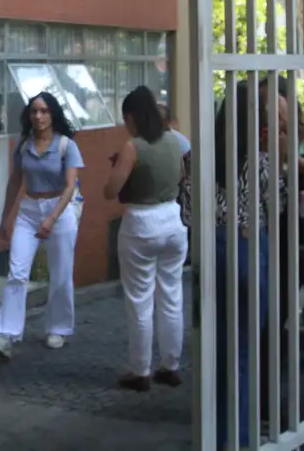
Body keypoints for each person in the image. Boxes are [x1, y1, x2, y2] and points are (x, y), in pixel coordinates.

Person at [211, 80, 292, 449]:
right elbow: (280, 205)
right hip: (247, 247)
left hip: (219, 248)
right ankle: (240, 440)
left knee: (225, 353)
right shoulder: (261, 162)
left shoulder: (207, 158)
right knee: (244, 353)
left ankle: (224, 435)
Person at [103, 86, 188, 392]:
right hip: (173, 220)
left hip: (141, 224)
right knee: (171, 295)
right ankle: (171, 365)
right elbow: (179, 175)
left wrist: (120, 166)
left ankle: (140, 370)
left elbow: (110, 191)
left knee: (140, 299)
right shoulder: (173, 141)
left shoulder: (132, 146)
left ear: (132, 117)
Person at [0, 92, 83, 360]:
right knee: (17, 271)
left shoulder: (66, 145)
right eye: (34, 112)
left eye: (44, 111)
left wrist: (51, 218)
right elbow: (15, 181)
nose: (38, 117)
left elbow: (69, 187)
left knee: (61, 273)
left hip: (60, 211)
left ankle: (59, 327)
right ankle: (5, 333)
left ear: (53, 115)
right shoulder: (23, 144)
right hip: (29, 210)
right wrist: (5, 216)